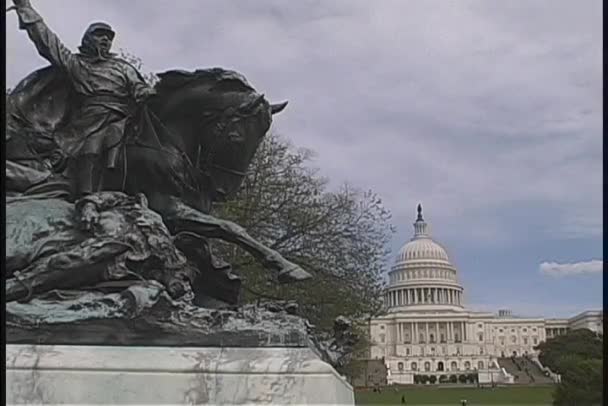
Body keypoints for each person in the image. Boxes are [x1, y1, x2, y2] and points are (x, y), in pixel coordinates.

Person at [10, 0, 155, 205]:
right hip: (88, 123)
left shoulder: (122, 67)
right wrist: (26, 8)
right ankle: (85, 197)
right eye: (100, 35)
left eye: (109, 37)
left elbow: (138, 87)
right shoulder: (77, 65)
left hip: (126, 118)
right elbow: (47, 42)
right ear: (87, 39)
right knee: (90, 148)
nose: (105, 39)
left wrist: (146, 93)